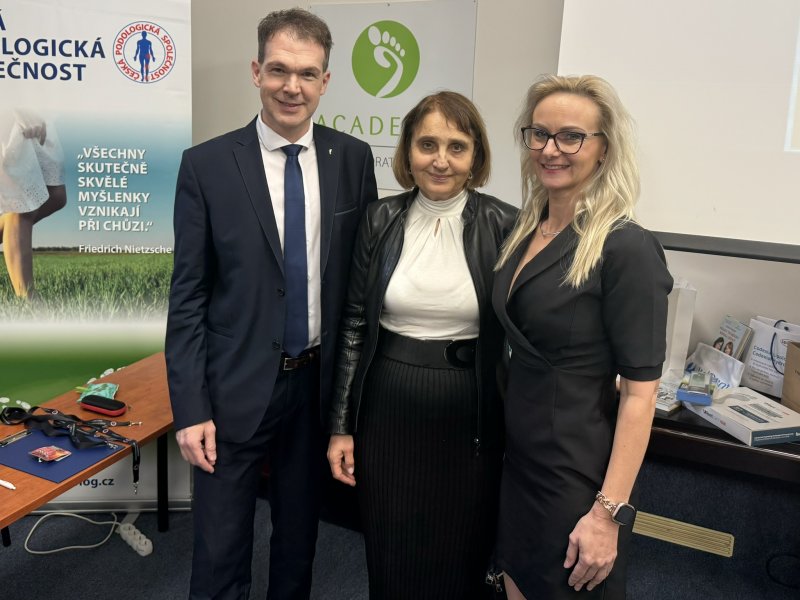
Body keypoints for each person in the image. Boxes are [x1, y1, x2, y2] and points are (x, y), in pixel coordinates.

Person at [165, 9, 377, 600]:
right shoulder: (206, 165)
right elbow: (188, 297)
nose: (292, 87)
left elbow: (358, 289)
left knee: (298, 541)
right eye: (279, 70)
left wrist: (349, 407)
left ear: (326, 81)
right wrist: (190, 409)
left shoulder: (353, 159)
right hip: (233, 392)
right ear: (256, 71)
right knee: (219, 551)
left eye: (307, 74)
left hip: (314, 390)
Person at [327, 91, 518, 599]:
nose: (440, 160)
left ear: (476, 156)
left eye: (457, 147)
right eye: (427, 144)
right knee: (391, 551)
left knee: (461, 554)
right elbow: (353, 326)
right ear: (408, 151)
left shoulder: (506, 224)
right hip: (387, 406)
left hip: (470, 411)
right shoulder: (379, 219)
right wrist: (341, 428)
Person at [491, 75, 673, 599]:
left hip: (576, 475)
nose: (551, 150)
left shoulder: (626, 248)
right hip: (519, 461)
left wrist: (607, 514)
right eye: (540, 134)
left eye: (571, 136)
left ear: (603, 149)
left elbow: (640, 396)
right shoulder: (525, 231)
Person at [0, 109, 67, 299]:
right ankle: (28, 300)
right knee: (21, 204)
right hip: (14, 115)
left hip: (41, 113)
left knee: (56, 196)